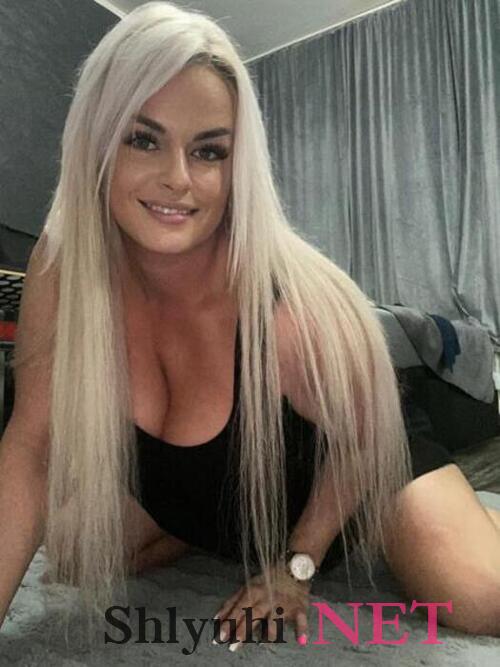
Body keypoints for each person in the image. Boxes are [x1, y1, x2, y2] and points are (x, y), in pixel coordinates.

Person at [1, 0, 500, 650]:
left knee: (478, 594)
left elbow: (360, 441)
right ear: (97, 135)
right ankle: (208, 522)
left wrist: (297, 565)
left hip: (353, 460)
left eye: (209, 151)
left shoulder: (287, 305)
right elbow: (32, 446)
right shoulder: (63, 263)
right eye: (143, 138)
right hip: (215, 484)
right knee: (72, 549)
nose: (178, 179)